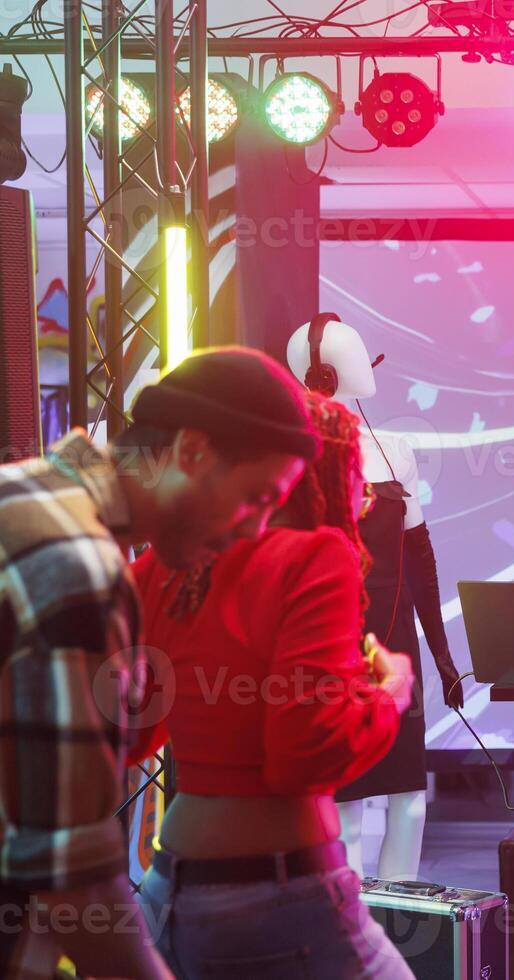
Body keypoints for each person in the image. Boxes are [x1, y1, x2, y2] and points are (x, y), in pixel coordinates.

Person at [0, 347, 319, 979]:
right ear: (192, 450)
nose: (255, 531)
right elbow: (72, 883)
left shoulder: (22, 496)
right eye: (256, 497)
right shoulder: (78, 569)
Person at [132, 392, 415, 978]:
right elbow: (302, 756)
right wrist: (386, 697)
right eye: (355, 477)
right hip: (278, 893)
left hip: (169, 895)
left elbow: (134, 732)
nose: (362, 498)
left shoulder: (165, 564)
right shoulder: (317, 555)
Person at [285, 314, 466, 882]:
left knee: (409, 799)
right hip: (330, 646)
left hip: (396, 641)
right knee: (348, 807)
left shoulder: (394, 450)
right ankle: (354, 932)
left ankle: (404, 935)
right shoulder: (290, 459)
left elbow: (421, 560)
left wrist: (443, 657)